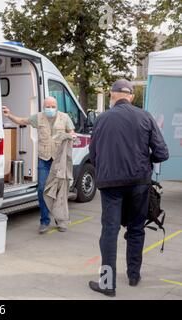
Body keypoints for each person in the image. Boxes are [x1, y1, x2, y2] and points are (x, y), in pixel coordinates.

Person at [88, 79, 169, 297]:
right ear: (131, 96)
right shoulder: (145, 116)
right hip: (139, 184)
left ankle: (107, 283)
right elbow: (163, 153)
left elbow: (93, 156)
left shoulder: (102, 120)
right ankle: (133, 275)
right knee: (136, 228)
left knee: (109, 232)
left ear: (113, 95)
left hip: (110, 185)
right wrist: (144, 161)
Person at [2, 97, 76, 234]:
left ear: (57, 106)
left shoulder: (65, 117)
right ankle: (44, 221)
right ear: (43, 107)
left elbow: (71, 131)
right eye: (48, 106)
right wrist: (9, 115)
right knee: (42, 189)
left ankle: (61, 220)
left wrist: (71, 136)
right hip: (44, 159)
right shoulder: (39, 118)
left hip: (59, 161)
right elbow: (22, 121)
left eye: (53, 106)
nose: (50, 108)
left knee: (60, 191)